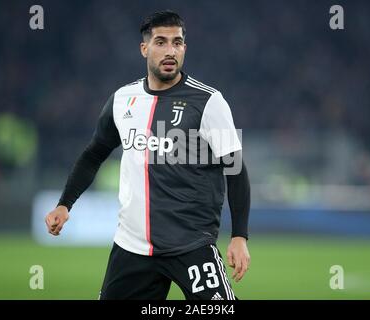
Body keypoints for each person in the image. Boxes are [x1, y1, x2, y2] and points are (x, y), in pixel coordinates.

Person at [45, 10, 251, 300]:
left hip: (191, 245)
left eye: (177, 43)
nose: (170, 51)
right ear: (144, 48)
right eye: (161, 42)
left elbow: (236, 169)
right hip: (132, 248)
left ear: (184, 48)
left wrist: (240, 236)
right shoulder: (122, 100)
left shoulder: (209, 102)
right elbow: (94, 154)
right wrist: (65, 204)